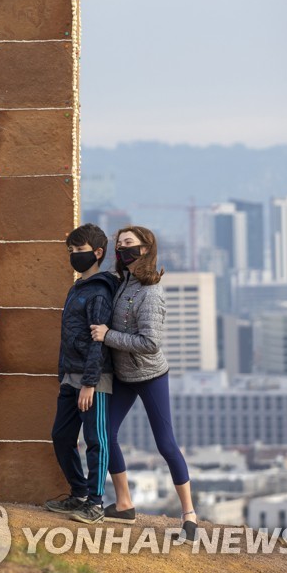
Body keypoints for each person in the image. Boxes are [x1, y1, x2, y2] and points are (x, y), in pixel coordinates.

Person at [90, 225, 198, 541]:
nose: (122, 250)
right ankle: (124, 503)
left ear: (146, 248)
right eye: (119, 244)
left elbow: (150, 342)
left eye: (129, 244)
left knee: (165, 443)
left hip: (150, 376)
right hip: (123, 375)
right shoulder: (123, 283)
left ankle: (189, 514)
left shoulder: (151, 292)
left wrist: (108, 335)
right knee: (104, 434)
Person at [45, 223, 118, 524]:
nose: (74, 255)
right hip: (70, 376)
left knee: (95, 440)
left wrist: (89, 383)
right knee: (61, 436)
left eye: (79, 251)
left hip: (93, 379)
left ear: (98, 253)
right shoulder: (78, 288)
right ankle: (78, 493)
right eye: (71, 251)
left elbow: (97, 344)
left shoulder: (99, 292)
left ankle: (96, 504)